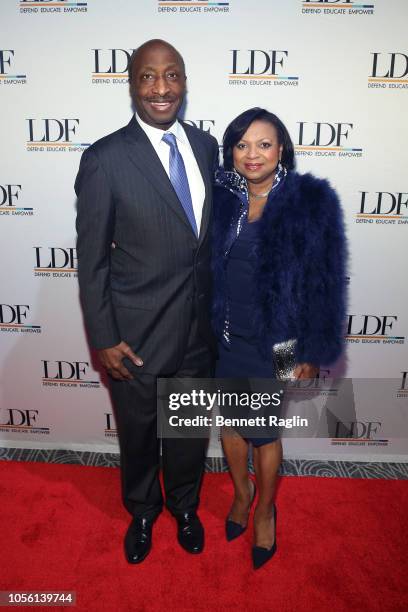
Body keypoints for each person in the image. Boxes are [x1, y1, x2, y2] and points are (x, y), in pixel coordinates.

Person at [75, 39, 219, 564]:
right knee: (138, 435)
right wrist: (105, 337)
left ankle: (184, 506)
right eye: (148, 76)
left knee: (187, 432)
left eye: (172, 75)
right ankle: (141, 510)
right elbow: (90, 259)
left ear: (184, 82)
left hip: (198, 332)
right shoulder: (106, 159)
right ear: (131, 83)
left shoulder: (205, 147)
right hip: (134, 337)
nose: (162, 88)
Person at [212, 107, 347, 569]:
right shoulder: (219, 195)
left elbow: (325, 280)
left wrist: (312, 349)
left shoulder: (311, 200)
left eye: (264, 144)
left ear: (282, 148)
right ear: (231, 150)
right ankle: (242, 491)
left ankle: (265, 511)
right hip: (223, 334)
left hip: (282, 342)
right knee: (230, 423)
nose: (253, 154)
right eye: (243, 144)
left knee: (265, 431)